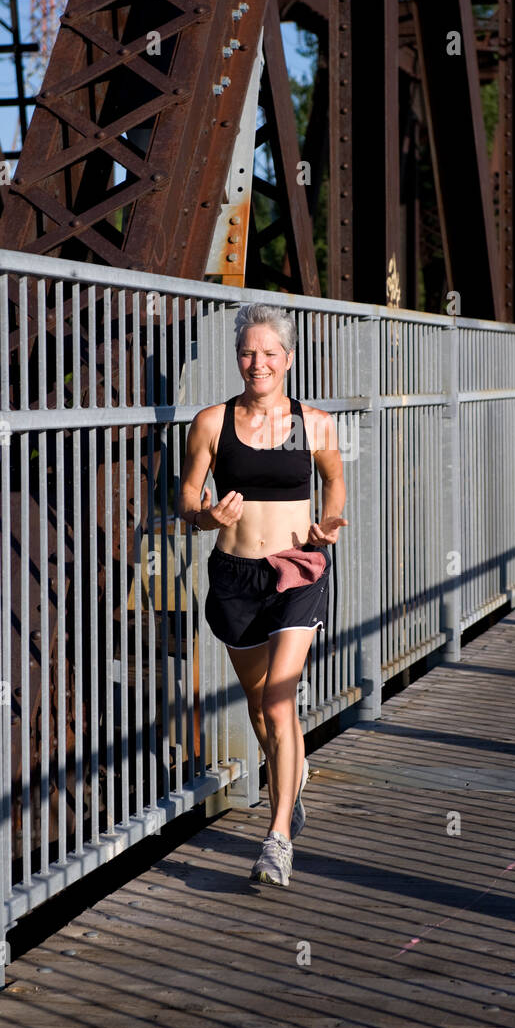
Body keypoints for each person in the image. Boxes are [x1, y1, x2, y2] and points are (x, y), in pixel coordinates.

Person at [178, 303, 347, 886]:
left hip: (299, 569)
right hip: (235, 576)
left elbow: (335, 479)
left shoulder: (316, 423)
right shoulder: (210, 422)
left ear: (288, 359)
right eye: (249, 353)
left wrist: (328, 521)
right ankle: (289, 775)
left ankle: (277, 840)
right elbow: (186, 502)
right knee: (260, 708)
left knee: (279, 699)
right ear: (238, 358)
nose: (258, 363)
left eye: (270, 353)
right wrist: (206, 515)